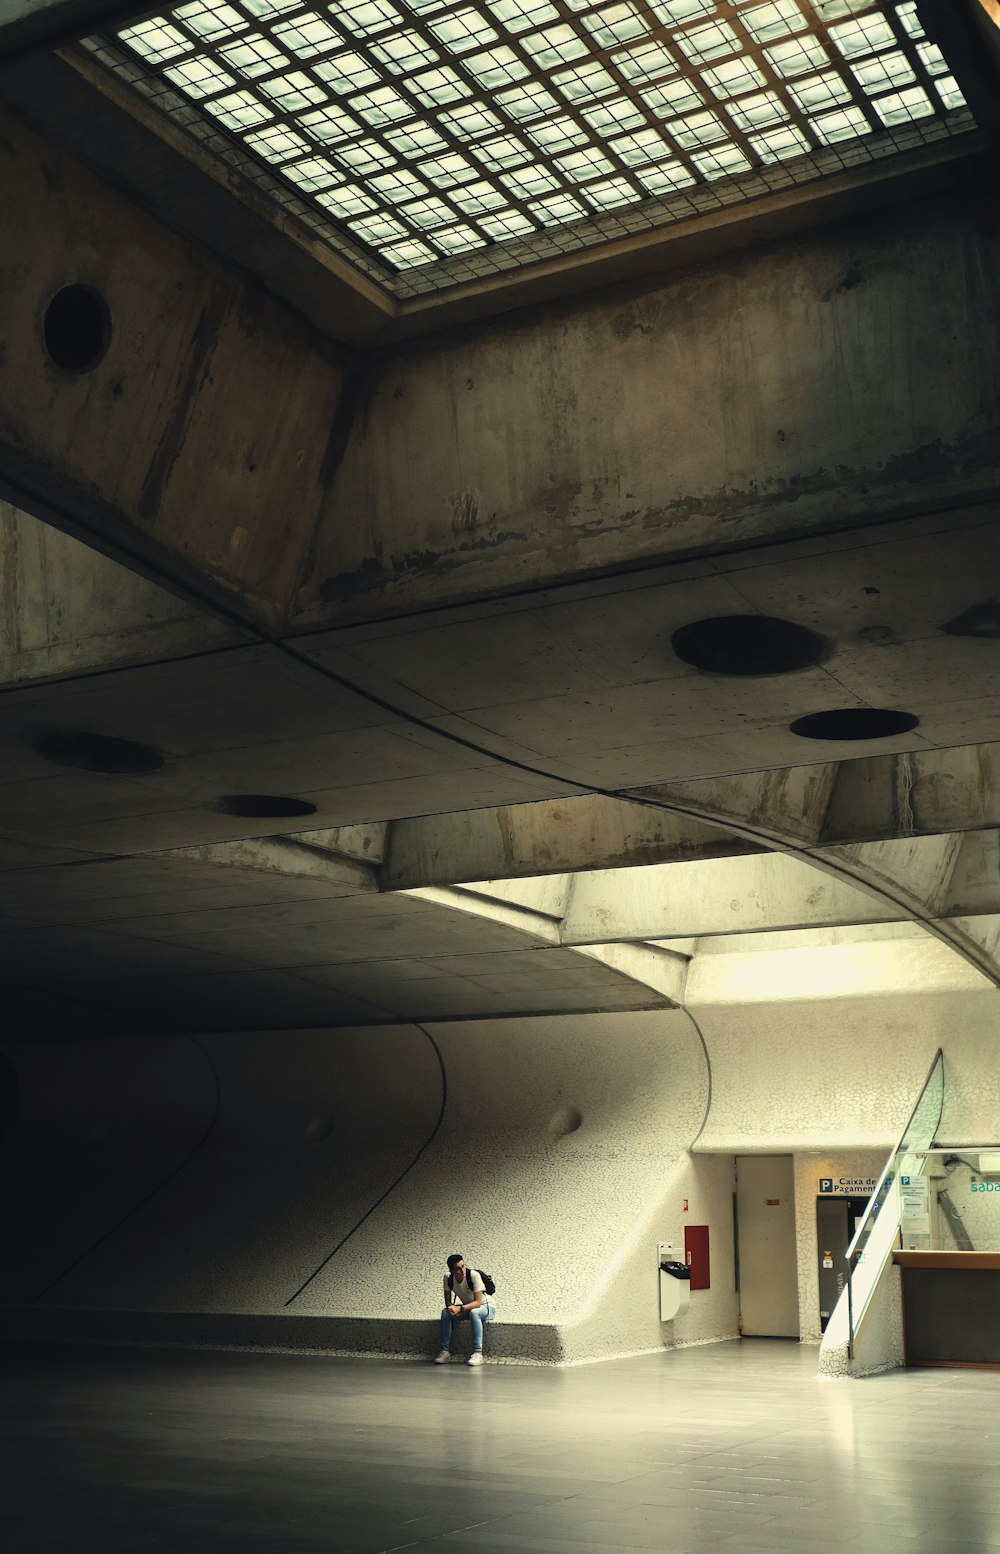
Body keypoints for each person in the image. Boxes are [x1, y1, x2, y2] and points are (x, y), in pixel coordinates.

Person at [434, 1253, 495, 1366]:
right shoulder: (448, 1278)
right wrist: (452, 1308)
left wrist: (460, 1309)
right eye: (458, 1269)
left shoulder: (473, 1275)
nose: (462, 1270)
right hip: (468, 1308)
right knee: (445, 1313)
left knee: (474, 1312)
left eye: (463, 1266)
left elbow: (477, 1302)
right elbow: (448, 1301)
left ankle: (478, 1353)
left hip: (486, 1307)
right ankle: (444, 1351)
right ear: (451, 1271)